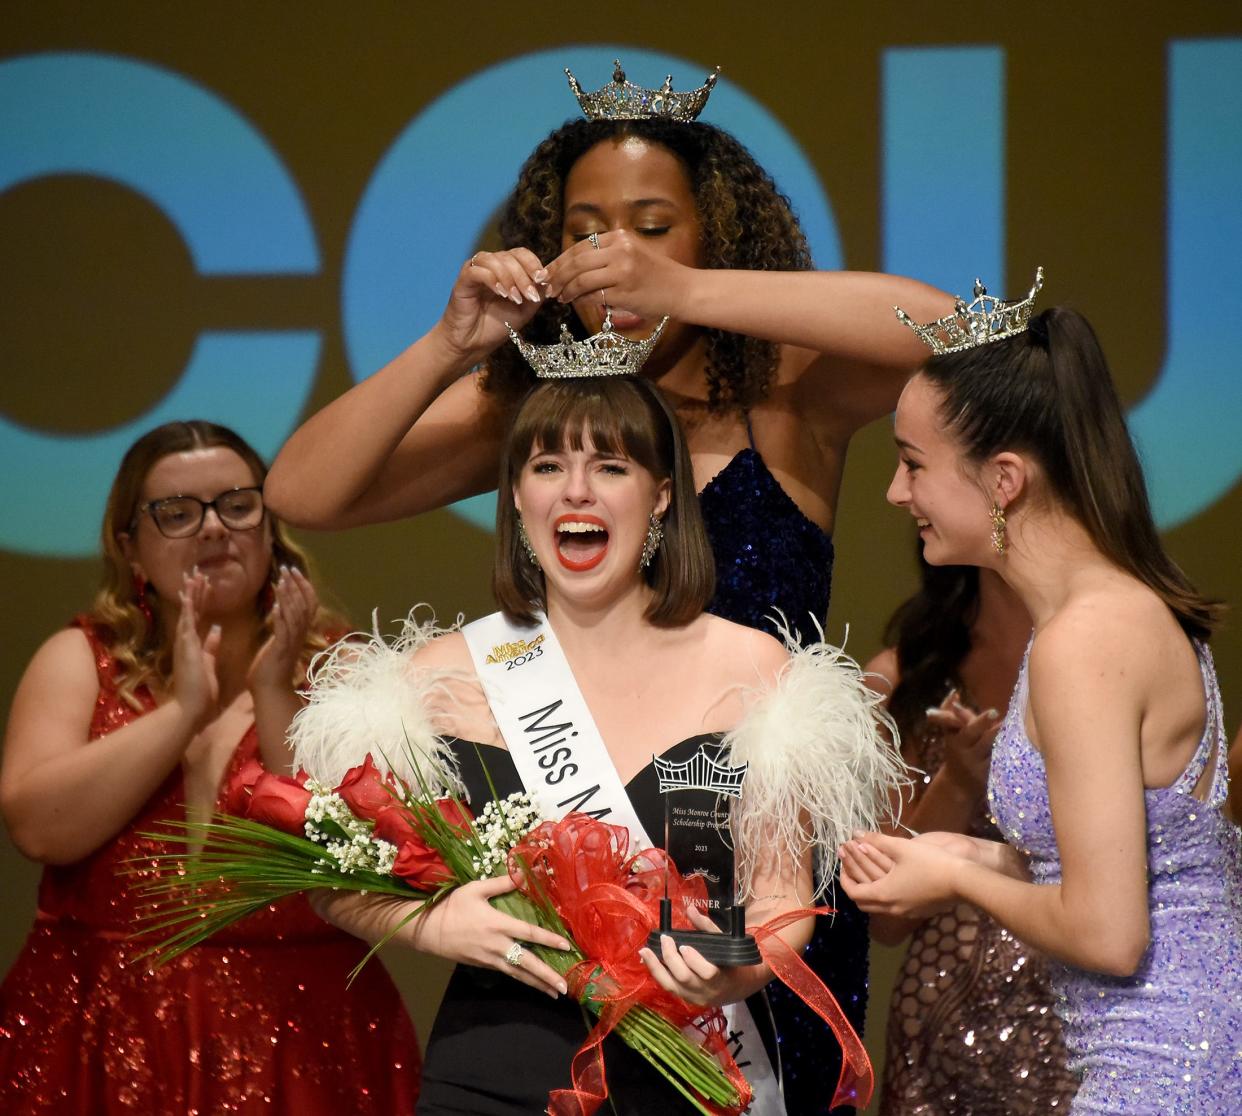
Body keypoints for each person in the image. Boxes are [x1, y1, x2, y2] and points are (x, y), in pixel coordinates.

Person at [264, 61, 951, 1112]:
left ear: (714, 238)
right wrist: (452, 344)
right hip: (571, 879)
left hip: (754, 892)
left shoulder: (785, 398)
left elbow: (950, 327)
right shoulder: (527, 417)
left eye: (650, 227)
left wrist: (686, 294)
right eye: (583, 231)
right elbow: (301, 490)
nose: (612, 256)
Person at [290, 365, 904, 1115]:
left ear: (662, 496)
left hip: (691, 1078)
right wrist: (431, 920)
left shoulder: (751, 667)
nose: (576, 491)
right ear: (517, 497)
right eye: (548, 466)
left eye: (609, 466)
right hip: (490, 1079)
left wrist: (734, 970)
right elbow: (332, 881)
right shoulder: (442, 677)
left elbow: (785, 901)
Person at [839, 286, 1242, 1111]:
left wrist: (958, 881)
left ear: (1005, 480)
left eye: (914, 464)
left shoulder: (1083, 640)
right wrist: (960, 854)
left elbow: (1108, 933)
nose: (895, 493)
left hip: (1160, 1071)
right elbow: (1131, 866)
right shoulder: (1106, 611)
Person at [0, 421, 421, 1115]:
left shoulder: (340, 668)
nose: (212, 529)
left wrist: (275, 692)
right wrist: (181, 714)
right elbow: (40, 830)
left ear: (271, 526)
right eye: (176, 512)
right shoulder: (78, 659)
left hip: (302, 1041)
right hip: (97, 1032)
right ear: (129, 547)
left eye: (236, 505)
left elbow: (348, 859)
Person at [864, 557, 1077, 1113]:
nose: (902, 493)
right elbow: (884, 913)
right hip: (943, 1016)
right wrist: (959, 779)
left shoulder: (1103, 657)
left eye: (915, 467)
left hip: (1080, 1006)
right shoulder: (905, 674)